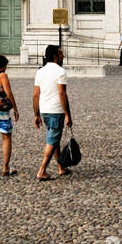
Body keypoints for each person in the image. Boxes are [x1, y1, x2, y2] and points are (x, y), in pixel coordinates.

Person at [32, 45, 72, 180]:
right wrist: (68, 114)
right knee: (52, 140)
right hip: (56, 110)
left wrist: (36, 114)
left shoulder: (40, 72)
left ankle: (61, 167)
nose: (63, 56)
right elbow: (62, 93)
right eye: (61, 54)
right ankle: (42, 170)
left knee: (55, 139)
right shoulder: (61, 72)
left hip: (44, 110)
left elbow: (36, 94)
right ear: (55, 56)